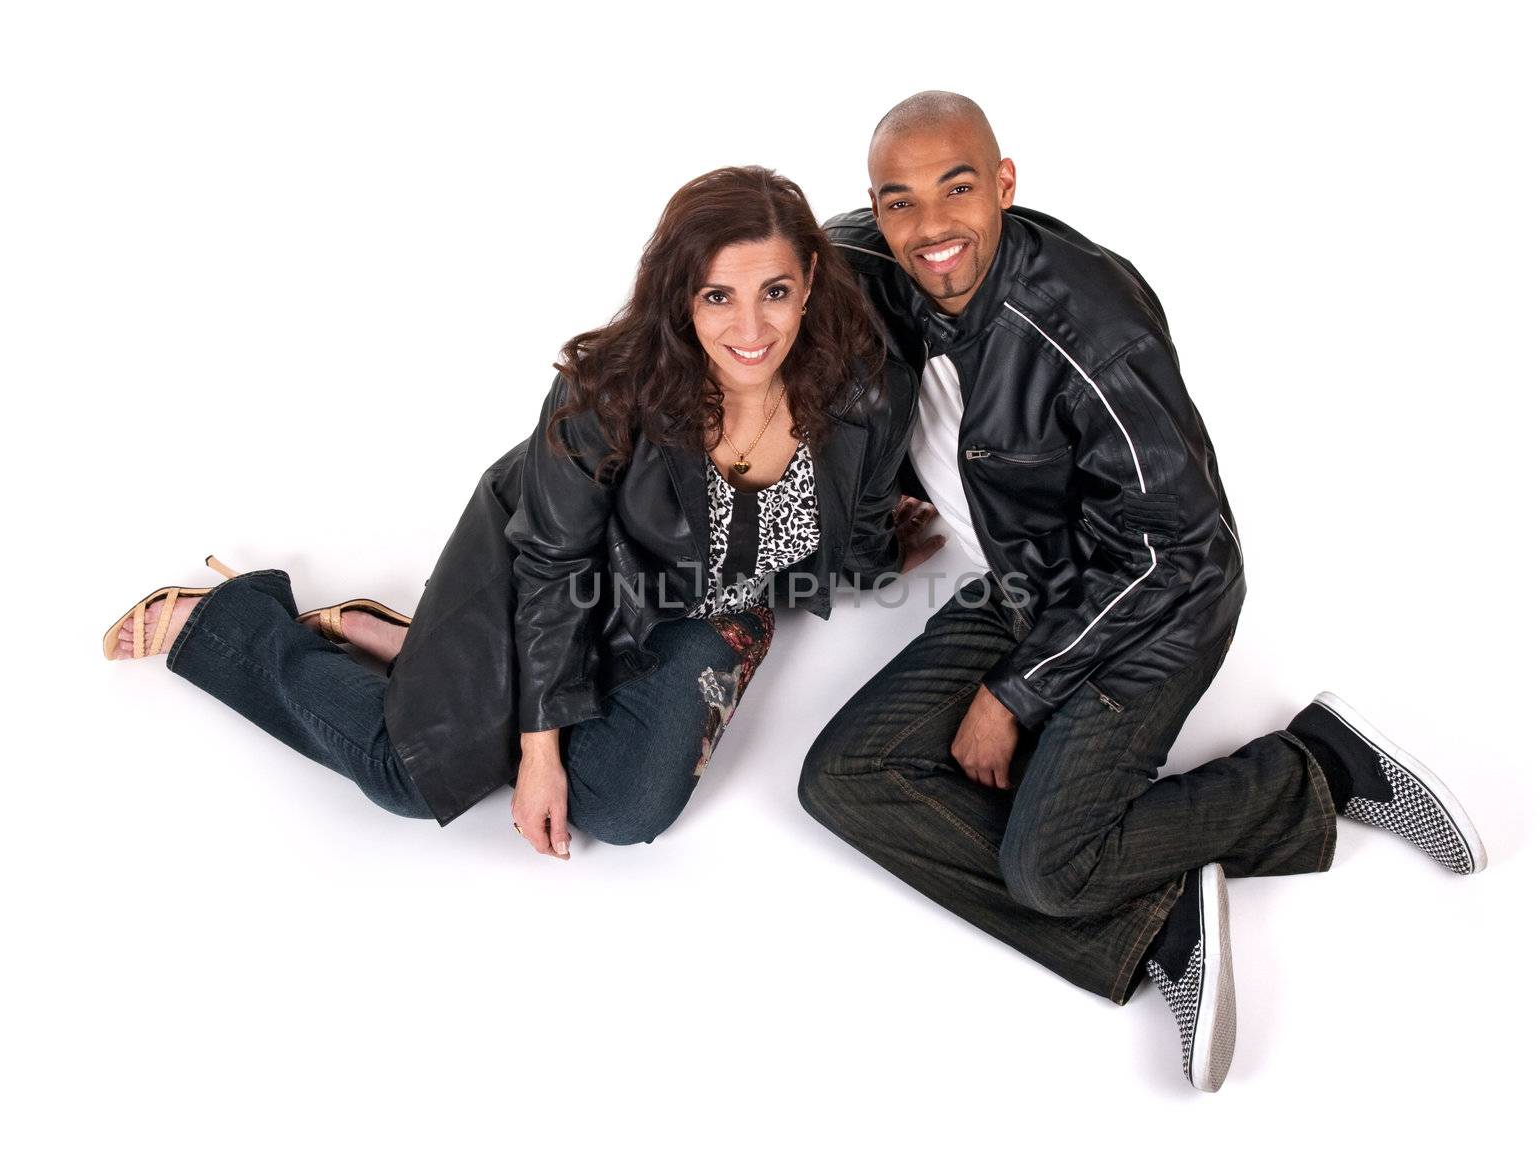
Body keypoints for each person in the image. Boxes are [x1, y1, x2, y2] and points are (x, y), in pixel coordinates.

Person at [799, 93, 1487, 1091]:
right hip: (1030, 576)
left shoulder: (1090, 325)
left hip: (1160, 598)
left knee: (1049, 866)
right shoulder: (864, 267)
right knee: (841, 778)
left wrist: (1013, 695)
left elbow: (1177, 544)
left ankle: (1316, 772)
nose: (929, 227)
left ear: (1004, 183)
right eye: (899, 202)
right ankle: (1154, 913)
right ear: (873, 209)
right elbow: (756, 270)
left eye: (957, 187)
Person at [103, 165, 941, 857]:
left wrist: (875, 556)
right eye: (718, 296)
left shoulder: (865, 389)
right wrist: (537, 750)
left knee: (619, 810)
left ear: (809, 286)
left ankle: (410, 647)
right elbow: (554, 568)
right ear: (678, 296)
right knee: (408, 777)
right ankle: (228, 622)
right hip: (549, 569)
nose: (751, 327)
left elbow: (856, 517)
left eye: (776, 291)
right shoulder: (608, 392)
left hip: (700, 607)